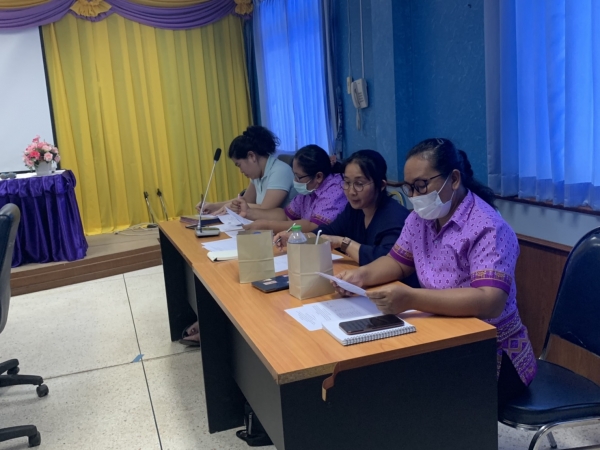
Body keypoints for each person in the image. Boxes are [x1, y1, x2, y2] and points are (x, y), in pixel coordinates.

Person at [334, 138, 537, 406]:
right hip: (443, 335)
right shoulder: (419, 219)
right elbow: (397, 261)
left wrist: (412, 298)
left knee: (410, 399)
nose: (415, 196)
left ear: (454, 179)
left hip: (491, 352)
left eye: (421, 186)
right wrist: (361, 276)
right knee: (381, 382)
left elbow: (490, 301)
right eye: (409, 187)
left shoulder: (488, 227)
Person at [273, 149, 410, 266]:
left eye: (359, 184)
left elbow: (386, 260)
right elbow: (329, 230)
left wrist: (342, 242)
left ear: (381, 185)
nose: (351, 191)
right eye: (347, 182)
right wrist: (299, 238)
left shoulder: (394, 217)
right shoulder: (355, 209)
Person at [232, 144, 347, 233]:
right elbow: (286, 216)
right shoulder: (309, 189)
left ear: (318, 177)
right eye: (294, 175)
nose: (295, 181)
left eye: (298, 177)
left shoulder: (335, 189)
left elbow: (314, 226)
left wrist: (267, 225)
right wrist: (249, 212)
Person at [198, 126, 296, 216]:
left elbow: (265, 209)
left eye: (239, 165)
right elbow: (246, 200)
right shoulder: (258, 174)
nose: (241, 171)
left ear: (251, 156)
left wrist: (230, 206)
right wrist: (215, 206)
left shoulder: (280, 171)